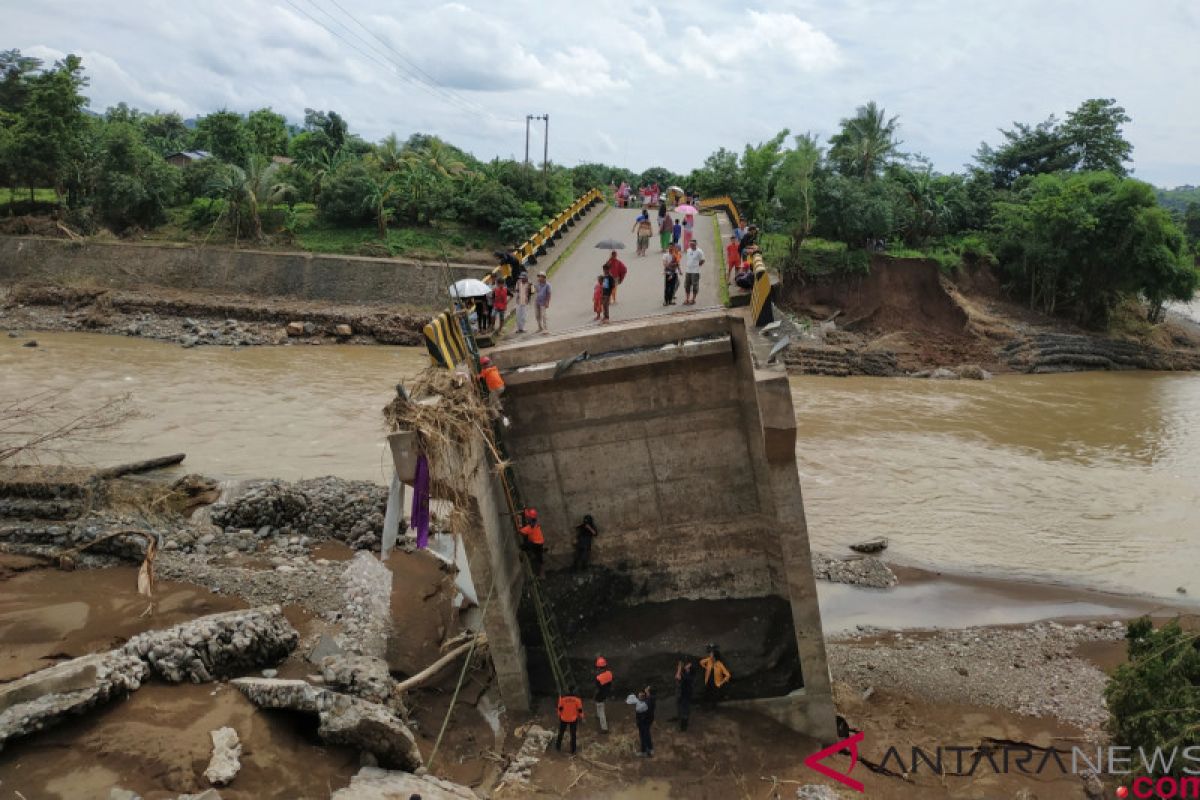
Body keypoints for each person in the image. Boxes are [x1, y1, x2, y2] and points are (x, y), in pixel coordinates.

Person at [699, 644, 731, 708]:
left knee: (714, 696)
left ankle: (713, 707)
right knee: (706, 694)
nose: (710, 655)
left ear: (715, 656)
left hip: (716, 683)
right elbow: (701, 662)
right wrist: (706, 666)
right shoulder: (709, 661)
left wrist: (721, 682)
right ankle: (704, 706)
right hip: (708, 681)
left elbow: (728, 675)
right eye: (710, 654)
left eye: (711, 654)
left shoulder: (719, 664)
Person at [556, 687, 584, 754]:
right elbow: (580, 709)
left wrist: (559, 715)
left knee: (561, 733)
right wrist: (582, 717)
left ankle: (557, 746)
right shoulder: (577, 699)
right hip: (573, 719)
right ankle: (573, 750)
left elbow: (560, 708)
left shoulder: (562, 698)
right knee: (573, 734)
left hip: (564, 718)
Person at [630, 686, 655, 757]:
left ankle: (644, 751)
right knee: (647, 734)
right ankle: (650, 749)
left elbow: (640, 710)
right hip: (647, 720)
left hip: (644, 721)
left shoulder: (646, 703)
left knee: (643, 735)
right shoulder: (651, 700)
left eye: (646, 691)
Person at [519, 507, 545, 577]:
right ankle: (542, 573)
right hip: (540, 542)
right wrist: (524, 510)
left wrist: (520, 525)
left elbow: (521, 531)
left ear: (530, 518)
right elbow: (527, 513)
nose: (527, 518)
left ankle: (523, 554)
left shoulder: (530, 527)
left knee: (523, 546)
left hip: (535, 544)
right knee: (540, 557)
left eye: (528, 517)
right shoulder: (535, 524)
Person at [675, 655, 696, 731]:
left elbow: (678, 677)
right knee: (681, 709)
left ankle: (683, 728)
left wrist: (680, 668)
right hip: (682, 693)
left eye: (687, 664)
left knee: (685, 711)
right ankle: (683, 724)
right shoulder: (685, 672)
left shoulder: (691, 673)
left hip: (686, 694)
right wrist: (680, 668)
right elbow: (677, 677)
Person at [593, 656, 613, 733]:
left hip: (600, 696)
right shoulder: (609, 673)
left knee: (601, 711)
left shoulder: (598, 678)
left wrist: (594, 696)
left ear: (598, 668)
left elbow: (597, 690)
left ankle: (604, 728)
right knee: (599, 707)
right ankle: (598, 716)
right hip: (606, 693)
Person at [682, 240, 705, 305]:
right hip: (688, 271)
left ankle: (693, 299)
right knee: (687, 285)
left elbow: (703, 260)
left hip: (695, 271)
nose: (691, 245)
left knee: (695, 285)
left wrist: (697, 266)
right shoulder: (688, 250)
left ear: (696, 244)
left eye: (693, 244)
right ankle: (687, 299)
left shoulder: (699, 251)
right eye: (690, 244)